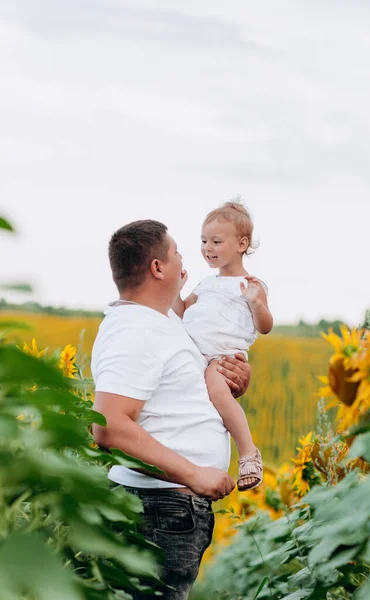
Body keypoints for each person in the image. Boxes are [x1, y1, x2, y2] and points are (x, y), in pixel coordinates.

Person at [91, 219, 252, 600]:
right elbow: (108, 425)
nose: (186, 261)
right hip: (156, 510)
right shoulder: (135, 330)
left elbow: (179, 399)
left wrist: (233, 384)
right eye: (178, 252)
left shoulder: (166, 323)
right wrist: (194, 474)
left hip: (167, 512)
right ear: (157, 268)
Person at [173, 202, 273, 492]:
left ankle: (248, 451)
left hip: (222, 357)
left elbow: (265, 326)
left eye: (216, 241)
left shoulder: (251, 285)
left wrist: (255, 302)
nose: (208, 248)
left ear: (242, 244)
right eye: (204, 241)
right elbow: (180, 311)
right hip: (195, 356)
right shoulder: (205, 284)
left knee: (218, 392)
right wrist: (176, 289)